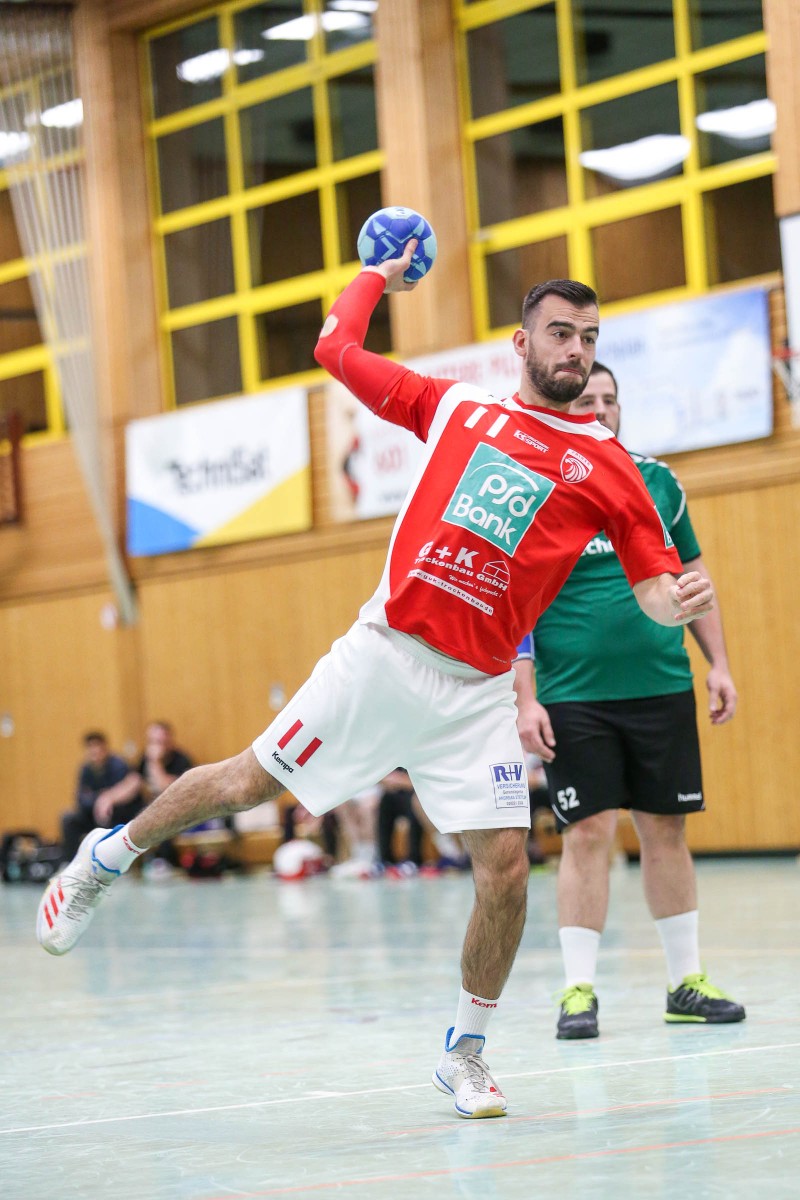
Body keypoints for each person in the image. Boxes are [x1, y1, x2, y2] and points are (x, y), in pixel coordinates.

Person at [37, 241, 716, 1121]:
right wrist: (375, 278)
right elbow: (336, 349)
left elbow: (655, 590)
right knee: (245, 782)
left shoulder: (613, 469)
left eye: (589, 338)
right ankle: (105, 858)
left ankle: (466, 1053)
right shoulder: (459, 408)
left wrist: (677, 601)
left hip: (476, 693)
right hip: (384, 658)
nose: (576, 351)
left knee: (506, 871)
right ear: (521, 342)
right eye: (561, 333)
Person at [513, 361, 744, 1039]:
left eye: (610, 399)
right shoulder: (537, 487)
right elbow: (515, 601)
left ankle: (685, 984)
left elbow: (692, 575)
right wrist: (525, 698)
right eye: (588, 398)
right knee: (587, 833)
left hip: (662, 685)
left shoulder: (658, 482)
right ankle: (577, 991)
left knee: (666, 830)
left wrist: (719, 664)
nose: (601, 408)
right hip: (573, 696)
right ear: (564, 406)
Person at [60, 731, 141, 862]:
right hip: (94, 814)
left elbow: (128, 792)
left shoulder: (118, 765)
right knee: (68, 819)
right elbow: (81, 798)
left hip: (118, 815)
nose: (95, 751)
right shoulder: (86, 769)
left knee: (111, 813)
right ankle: (71, 862)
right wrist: (100, 799)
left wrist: (108, 799)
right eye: (91, 747)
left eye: (98, 746)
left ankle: (113, 861)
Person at [376, 768, 424, 871]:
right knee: (386, 800)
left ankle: (414, 860)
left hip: (417, 793)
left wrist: (401, 781)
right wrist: (389, 781)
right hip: (398, 791)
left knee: (415, 804)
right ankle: (385, 860)